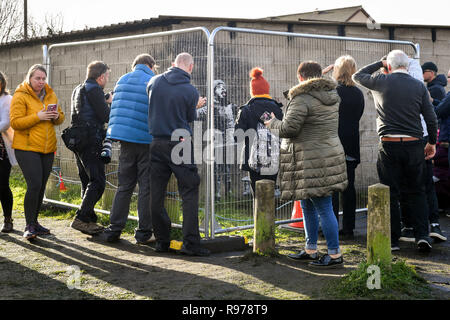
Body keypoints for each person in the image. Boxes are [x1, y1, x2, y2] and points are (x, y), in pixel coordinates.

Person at [353, 50, 438, 252]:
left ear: (389, 66)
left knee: (390, 192)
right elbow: (431, 118)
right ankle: (422, 235)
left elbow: (357, 75)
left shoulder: (381, 81)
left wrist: (379, 63)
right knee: (417, 191)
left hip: (389, 144)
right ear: (407, 67)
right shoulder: (419, 86)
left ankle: (392, 240)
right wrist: (432, 143)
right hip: (414, 144)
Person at [265, 61, 348, 267]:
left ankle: (335, 255)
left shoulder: (302, 98)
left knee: (322, 206)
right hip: (327, 154)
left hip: (310, 159)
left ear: (300, 77)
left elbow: (289, 129)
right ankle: (311, 249)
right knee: (307, 204)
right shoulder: (331, 95)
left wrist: (272, 123)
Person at [147, 52, 209, 256]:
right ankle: (190, 243)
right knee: (189, 191)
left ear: (173, 63)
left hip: (156, 142)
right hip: (180, 143)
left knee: (156, 193)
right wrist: (197, 105)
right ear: (191, 67)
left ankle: (162, 241)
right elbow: (189, 116)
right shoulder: (190, 91)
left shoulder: (154, 82)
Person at [102, 54, 157, 243]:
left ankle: (114, 229)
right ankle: (143, 233)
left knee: (124, 186)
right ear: (150, 65)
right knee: (145, 188)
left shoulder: (122, 80)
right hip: (145, 140)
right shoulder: (152, 80)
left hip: (124, 141)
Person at [10, 64, 65, 240]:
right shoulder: (20, 96)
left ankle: (35, 222)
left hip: (47, 149)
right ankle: (29, 226)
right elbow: (15, 123)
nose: (41, 82)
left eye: (43, 78)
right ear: (29, 78)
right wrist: (38, 117)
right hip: (26, 148)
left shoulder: (50, 94)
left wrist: (57, 116)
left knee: (41, 186)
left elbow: (61, 117)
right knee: (34, 185)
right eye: (37, 78)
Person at [397, 58, 446, 243]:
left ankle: (411, 227)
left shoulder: (399, 90)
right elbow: (432, 118)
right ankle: (433, 225)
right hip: (424, 138)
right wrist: (432, 142)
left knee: (409, 187)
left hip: (409, 140)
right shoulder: (422, 90)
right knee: (426, 184)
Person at [323, 56, 365, 240]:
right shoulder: (358, 93)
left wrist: (321, 75)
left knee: (331, 187)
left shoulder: (333, 92)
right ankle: (349, 228)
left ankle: (331, 227)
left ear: (337, 71)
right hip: (351, 145)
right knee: (349, 187)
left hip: (332, 144)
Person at [70, 61, 112, 235]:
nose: (108, 79)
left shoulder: (78, 88)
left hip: (77, 140)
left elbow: (84, 111)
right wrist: (110, 103)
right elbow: (105, 115)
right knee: (98, 181)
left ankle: (89, 220)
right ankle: (81, 218)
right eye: (107, 76)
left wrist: (104, 99)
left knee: (87, 180)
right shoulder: (95, 89)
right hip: (90, 140)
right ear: (101, 76)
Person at [234, 67, 283, 195]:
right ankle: (270, 214)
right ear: (267, 90)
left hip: (252, 158)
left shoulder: (246, 110)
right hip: (273, 157)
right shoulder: (277, 109)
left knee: (257, 195)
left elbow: (237, 137)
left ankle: (258, 214)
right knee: (270, 192)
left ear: (253, 91)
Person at [0, 71, 17, 233]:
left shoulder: (7, 100)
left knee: (2, 185)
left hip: (2, 151)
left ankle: (8, 219)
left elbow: (5, 123)